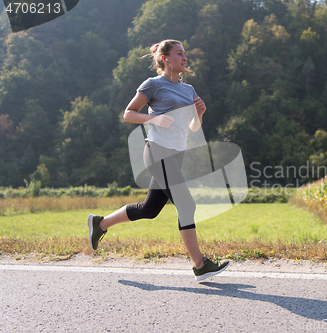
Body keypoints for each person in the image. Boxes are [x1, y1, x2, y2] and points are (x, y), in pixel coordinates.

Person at [87, 39, 229, 281]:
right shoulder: (153, 85)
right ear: (165, 58)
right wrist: (153, 119)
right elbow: (129, 114)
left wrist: (200, 114)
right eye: (179, 53)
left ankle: (100, 224)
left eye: (185, 54)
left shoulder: (189, 90)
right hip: (157, 151)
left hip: (177, 155)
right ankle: (200, 265)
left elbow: (193, 128)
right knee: (187, 205)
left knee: (150, 209)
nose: (185, 58)